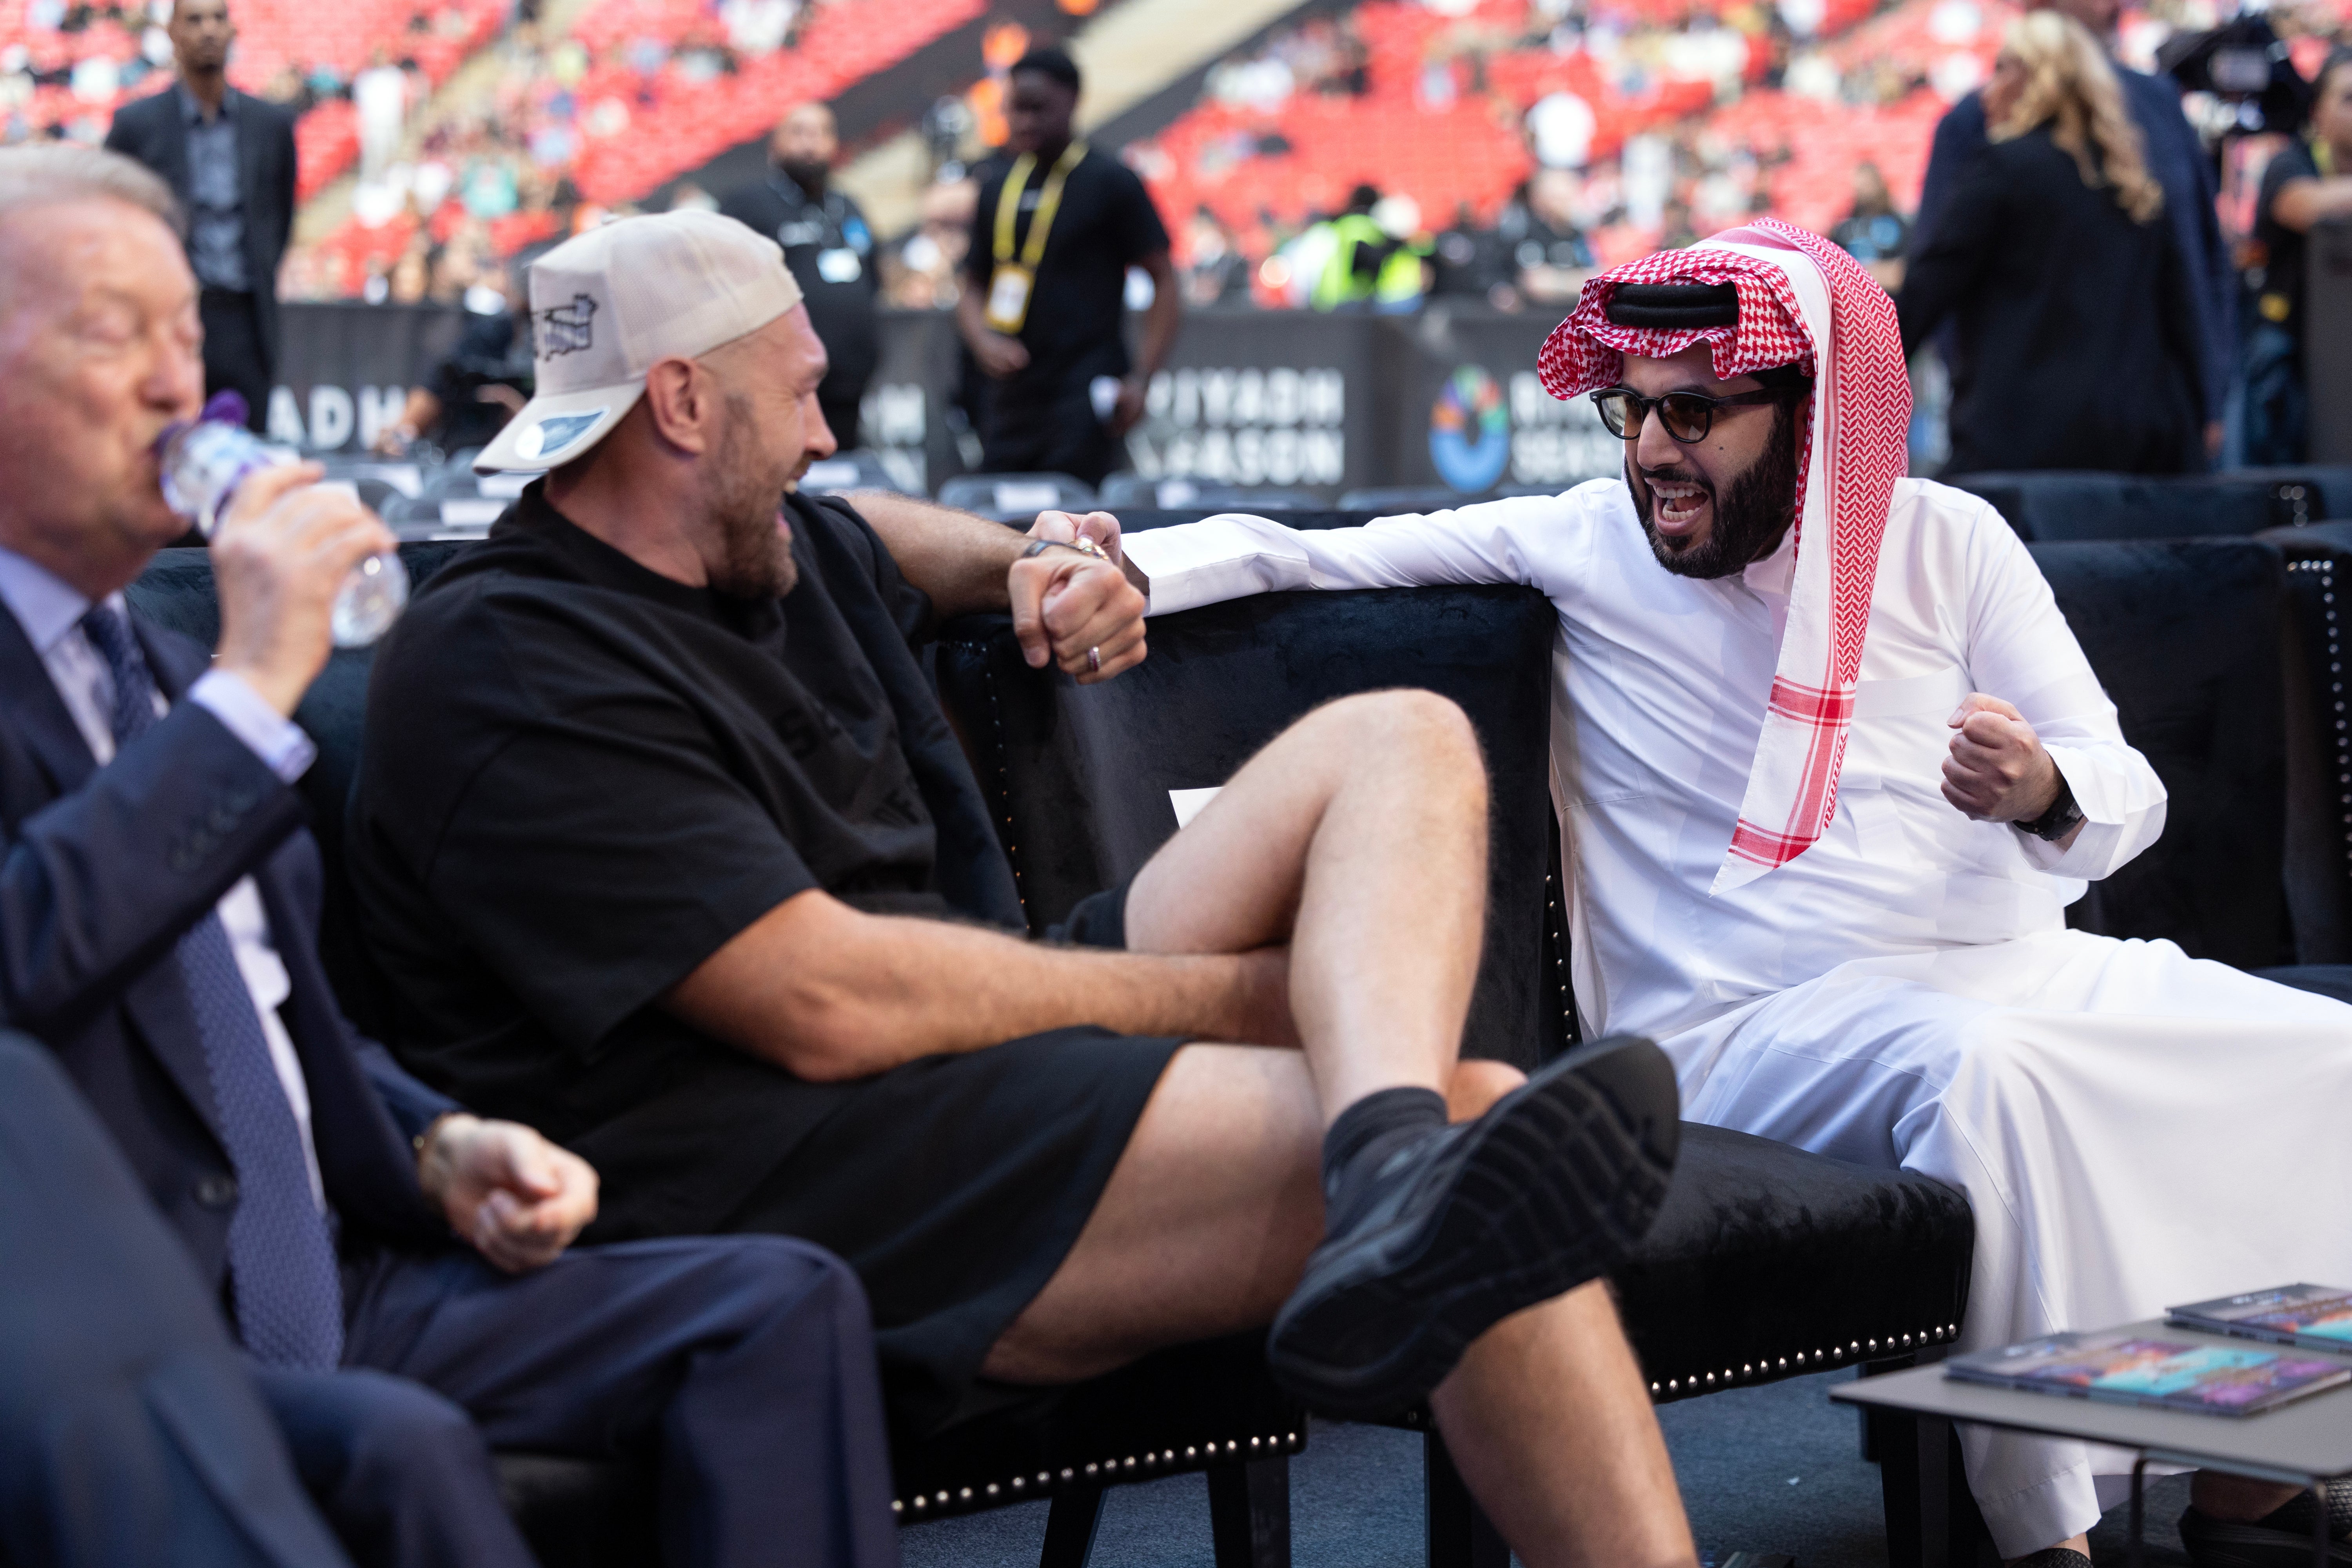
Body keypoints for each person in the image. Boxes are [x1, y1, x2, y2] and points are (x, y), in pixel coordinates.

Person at [345, 208, 1702, 1568]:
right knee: (1484, 1123)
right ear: (684, 403)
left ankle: (1385, 1157)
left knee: (1403, 734)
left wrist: (1038, 561)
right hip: (782, 1164)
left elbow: (882, 533)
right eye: (807, 392)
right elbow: (823, 1002)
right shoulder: (507, 663)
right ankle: (1410, 1147)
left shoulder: (770, 544)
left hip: (964, 1064)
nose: (826, 431)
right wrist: (1246, 1000)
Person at [1116, 216, 2352, 1568]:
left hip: (2018, 966)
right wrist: (1116, 566)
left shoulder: (1948, 541)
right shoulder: (1580, 543)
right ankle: (2040, 1539)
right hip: (1742, 1024)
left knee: (2322, 1055)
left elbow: (2128, 781)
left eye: (1695, 413)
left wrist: (2045, 788)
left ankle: (2253, 1482)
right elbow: (1316, 554)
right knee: (1991, 1077)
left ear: (1812, 413)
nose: (1652, 454)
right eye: (1630, 414)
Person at [0, 144, 898, 1568]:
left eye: (191, 332)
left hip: (340, 1268)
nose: (184, 387)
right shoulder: (217, 689)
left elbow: (260, 1018)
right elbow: (25, 956)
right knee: (397, 1449)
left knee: (777, 1307)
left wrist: (434, 1138)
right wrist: (248, 697)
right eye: (117, 336)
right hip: (101, 1335)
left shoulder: (155, 666)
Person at [0, 1032, 356, 1568]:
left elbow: (329, 1037)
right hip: (201, 1306)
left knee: (407, 1441)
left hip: (349, 1258)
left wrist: (436, 1134)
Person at [1911, 0, 2231, 464]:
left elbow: (1928, 288)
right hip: (2113, 435)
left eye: (2005, 71)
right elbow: (2192, 279)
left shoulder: (2156, 109)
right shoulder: (2131, 167)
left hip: (2044, 436)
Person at [957, 47, 1181, 486]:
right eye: (1016, 109)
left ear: (1073, 102)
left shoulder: (1111, 181)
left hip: (1084, 392)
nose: (1025, 122)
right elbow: (970, 285)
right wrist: (984, 341)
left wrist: (1141, 379)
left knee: (1080, 525)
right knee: (999, 523)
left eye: (1038, 108)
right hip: (1010, 397)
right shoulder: (997, 184)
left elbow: (1165, 280)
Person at [104, 0, 297, 434]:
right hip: (168, 320)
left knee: (248, 462)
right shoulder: (136, 125)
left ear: (233, 31)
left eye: (218, 18)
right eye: (194, 20)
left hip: (247, 321)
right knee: (164, 457)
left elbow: (279, 219)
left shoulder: (271, 125)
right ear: (172, 33)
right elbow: (112, 218)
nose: (208, 30)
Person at [718, 102, 880, 449]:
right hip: (782, 385)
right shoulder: (749, 205)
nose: (811, 144)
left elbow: (874, 276)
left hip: (851, 381)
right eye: (799, 133)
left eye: (822, 133)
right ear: (774, 145)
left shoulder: (848, 205)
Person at [2245, 47, 2352, 465]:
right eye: (2347, 99)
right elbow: (2303, 205)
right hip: (2287, 355)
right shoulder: (2291, 162)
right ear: (2318, 114)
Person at [374, 257, 535, 459]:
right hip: (462, 461)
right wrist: (398, 436)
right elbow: (417, 413)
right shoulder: (487, 335)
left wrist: (524, 421)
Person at [1828, 161, 1909, 291]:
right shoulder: (1844, 229)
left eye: (1868, 184)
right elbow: (1832, 271)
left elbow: (1904, 272)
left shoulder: (1900, 225)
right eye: (1860, 186)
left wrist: (1859, 274)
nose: (1864, 190)